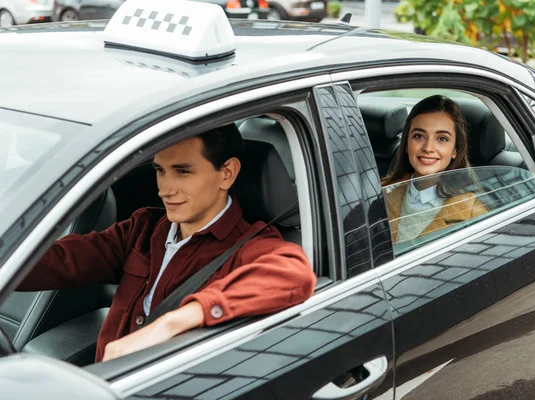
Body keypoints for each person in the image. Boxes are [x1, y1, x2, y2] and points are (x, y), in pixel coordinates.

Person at [18, 123, 316, 362]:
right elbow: (64, 259)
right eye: (160, 171)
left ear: (227, 173)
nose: (164, 189)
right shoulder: (144, 227)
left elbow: (294, 274)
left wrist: (172, 323)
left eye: (183, 171)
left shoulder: (250, 244)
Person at [381, 95, 487, 244]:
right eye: (419, 136)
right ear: (406, 144)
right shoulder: (382, 192)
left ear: (455, 150)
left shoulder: (473, 212)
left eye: (442, 138)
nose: (428, 148)